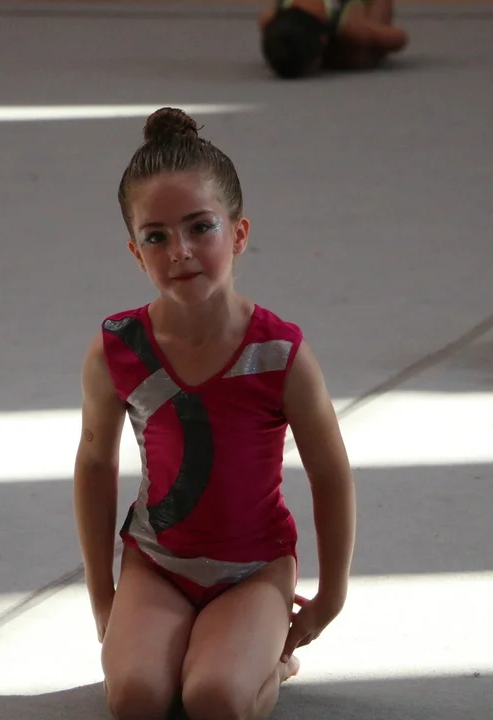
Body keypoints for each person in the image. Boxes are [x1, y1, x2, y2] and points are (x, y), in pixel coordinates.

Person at [73, 107, 357, 720]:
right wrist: (103, 594)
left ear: (239, 232)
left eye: (200, 227)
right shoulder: (118, 350)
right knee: (136, 699)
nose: (180, 251)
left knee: (215, 699)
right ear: (135, 252)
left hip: (253, 568)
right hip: (157, 563)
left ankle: (270, 664)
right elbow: (95, 464)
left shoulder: (279, 353)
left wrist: (330, 597)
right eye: (156, 236)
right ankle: (198, 647)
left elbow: (331, 472)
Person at [258, 0, 409, 79]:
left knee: (359, 57)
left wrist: (368, 35)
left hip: (354, 19)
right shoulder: (269, 20)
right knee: (282, 45)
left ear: (323, 39)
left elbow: (399, 38)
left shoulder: (350, 26)